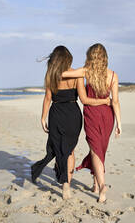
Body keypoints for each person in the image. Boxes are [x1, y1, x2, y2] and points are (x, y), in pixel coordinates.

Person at [31, 45, 110, 200]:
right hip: (73, 114)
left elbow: (47, 98)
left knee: (60, 149)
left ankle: (65, 184)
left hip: (56, 114)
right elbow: (83, 99)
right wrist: (104, 101)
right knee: (70, 150)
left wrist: (42, 117)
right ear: (68, 59)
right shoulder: (77, 75)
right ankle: (68, 181)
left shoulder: (51, 75)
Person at [62, 43, 122, 203]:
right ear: (105, 57)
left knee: (96, 150)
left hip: (92, 114)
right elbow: (115, 102)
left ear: (90, 57)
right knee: (99, 149)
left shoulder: (86, 71)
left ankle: (102, 186)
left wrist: (58, 65)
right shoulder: (113, 75)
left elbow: (64, 73)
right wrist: (119, 123)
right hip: (108, 117)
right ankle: (95, 184)